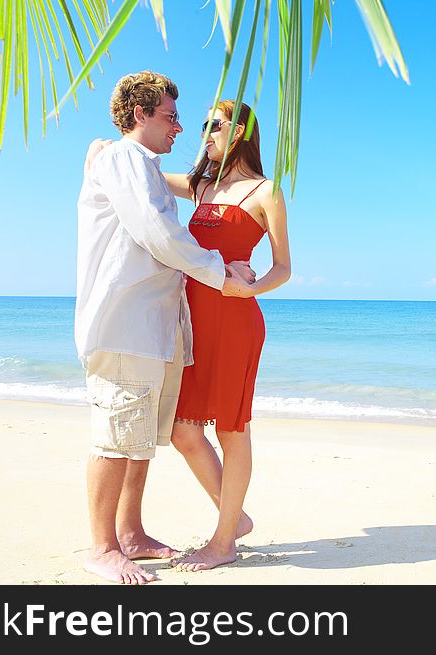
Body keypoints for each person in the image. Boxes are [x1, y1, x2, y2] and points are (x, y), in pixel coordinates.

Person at [75, 71, 254, 585]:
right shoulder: (123, 159)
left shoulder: (144, 167)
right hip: (124, 324)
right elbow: (160, 234)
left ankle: (130, 533)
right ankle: (103, 546)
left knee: (140, 438)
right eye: (172, 117)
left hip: (153, 328)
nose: (181, 129)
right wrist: (223, 271)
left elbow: (172, 221)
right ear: (141, 115)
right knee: (114, 438)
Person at [166, 100, 291, 572]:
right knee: (183, 431)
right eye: (202, 126)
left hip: (236, 319)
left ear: (239, 131)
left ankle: (222, 543)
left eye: (213, 125)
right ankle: (234, 519)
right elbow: (145, 173)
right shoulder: (201, 186)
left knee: (231, 429)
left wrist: (250, 287)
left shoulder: (267, 191)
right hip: (191, 320)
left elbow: (283, 267)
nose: (205, 134)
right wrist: (106, 148)